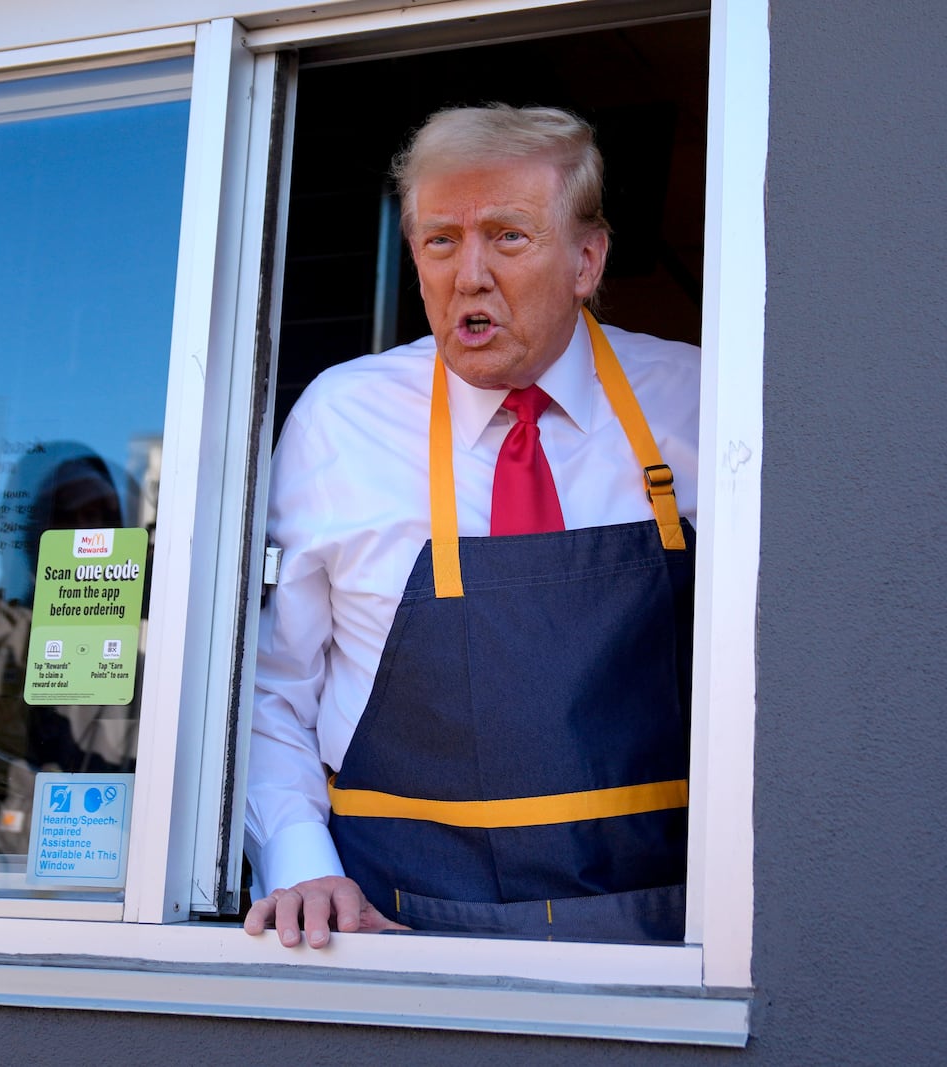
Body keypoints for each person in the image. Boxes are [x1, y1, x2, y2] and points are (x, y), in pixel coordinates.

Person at [243, 104, 699, 947]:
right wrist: (302, 863)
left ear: (587, 259)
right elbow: (271, 685)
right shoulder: (339, 421)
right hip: (393, 926)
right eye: (442, 241)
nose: (470, 275)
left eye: (508, 237)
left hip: (660, 935)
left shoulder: (700, 402)